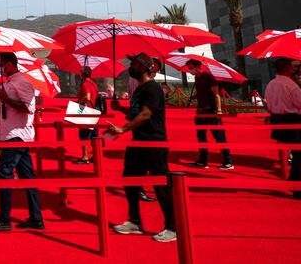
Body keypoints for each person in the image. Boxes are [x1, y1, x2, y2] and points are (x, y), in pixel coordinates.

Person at [108, 52, 176, 243]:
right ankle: (135, 221)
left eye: (135, 65)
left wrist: (123, 128)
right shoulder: (139, 89)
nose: (131, 67)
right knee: (129, 180)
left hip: (154, 142)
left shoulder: (153, 89)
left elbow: (146, 114)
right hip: (138, 141)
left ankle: (172, 227)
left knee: (161, 185)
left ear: (145, 68)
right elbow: (136, 112)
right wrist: (120, 109)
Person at [0, 52, 44, 232]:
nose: (0, 68)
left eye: (1, 64)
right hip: (14, 134)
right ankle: (36, 217)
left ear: (10, 64)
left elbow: (28, 109)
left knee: (4, 172)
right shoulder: (10, 83)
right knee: (28, 177)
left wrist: (7, 100)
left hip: (16, 136)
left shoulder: (23, 83)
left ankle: (5, 218)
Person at [264, 57, 301, 199]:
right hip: (294, 121)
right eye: (291, 67)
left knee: (296, 154)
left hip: (278, 120)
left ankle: (294, 180)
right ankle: (296, 184)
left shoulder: (271, 84)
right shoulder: (290, 85)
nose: (293, 69)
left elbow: (268, 104)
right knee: (299, 156)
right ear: (287, 68)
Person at [186, 59, 234, 170]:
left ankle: (228, 162)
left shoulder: (209, 77)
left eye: (191, 67)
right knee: (201, 137)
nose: (190, 70)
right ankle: (202, 161)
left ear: (198, 66)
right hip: (200, 112)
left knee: (219, 137)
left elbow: (216, 94)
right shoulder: (197, 78)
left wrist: (219, 110)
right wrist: (192, 97)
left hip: (211, 112)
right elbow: (200, 93)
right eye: (189, 68)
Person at [73, 67, 99, 164]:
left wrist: (79, 101)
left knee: (83, 134)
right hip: (94, 111)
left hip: (86, 111)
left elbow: (87, 97)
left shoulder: (85, 84)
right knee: (93, 135)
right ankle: (95, 155)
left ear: (83, 74)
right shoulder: (94, 84)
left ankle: (85, 157)